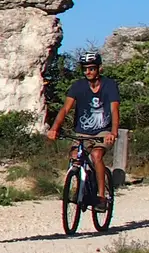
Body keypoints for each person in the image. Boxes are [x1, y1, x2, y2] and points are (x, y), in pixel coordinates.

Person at [45, 50, 120, 206]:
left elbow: (114, 110)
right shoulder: (78, 86)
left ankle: (101, 196)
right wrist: (54, 128)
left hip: (103, 131)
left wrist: (113, 132)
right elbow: (65, 109)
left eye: (91, 68)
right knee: (75, 157)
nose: (88, 72)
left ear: (99, 68)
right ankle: (80, 188)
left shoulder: (109, 85)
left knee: (96, 156)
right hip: (82, 131)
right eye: (85, 69)